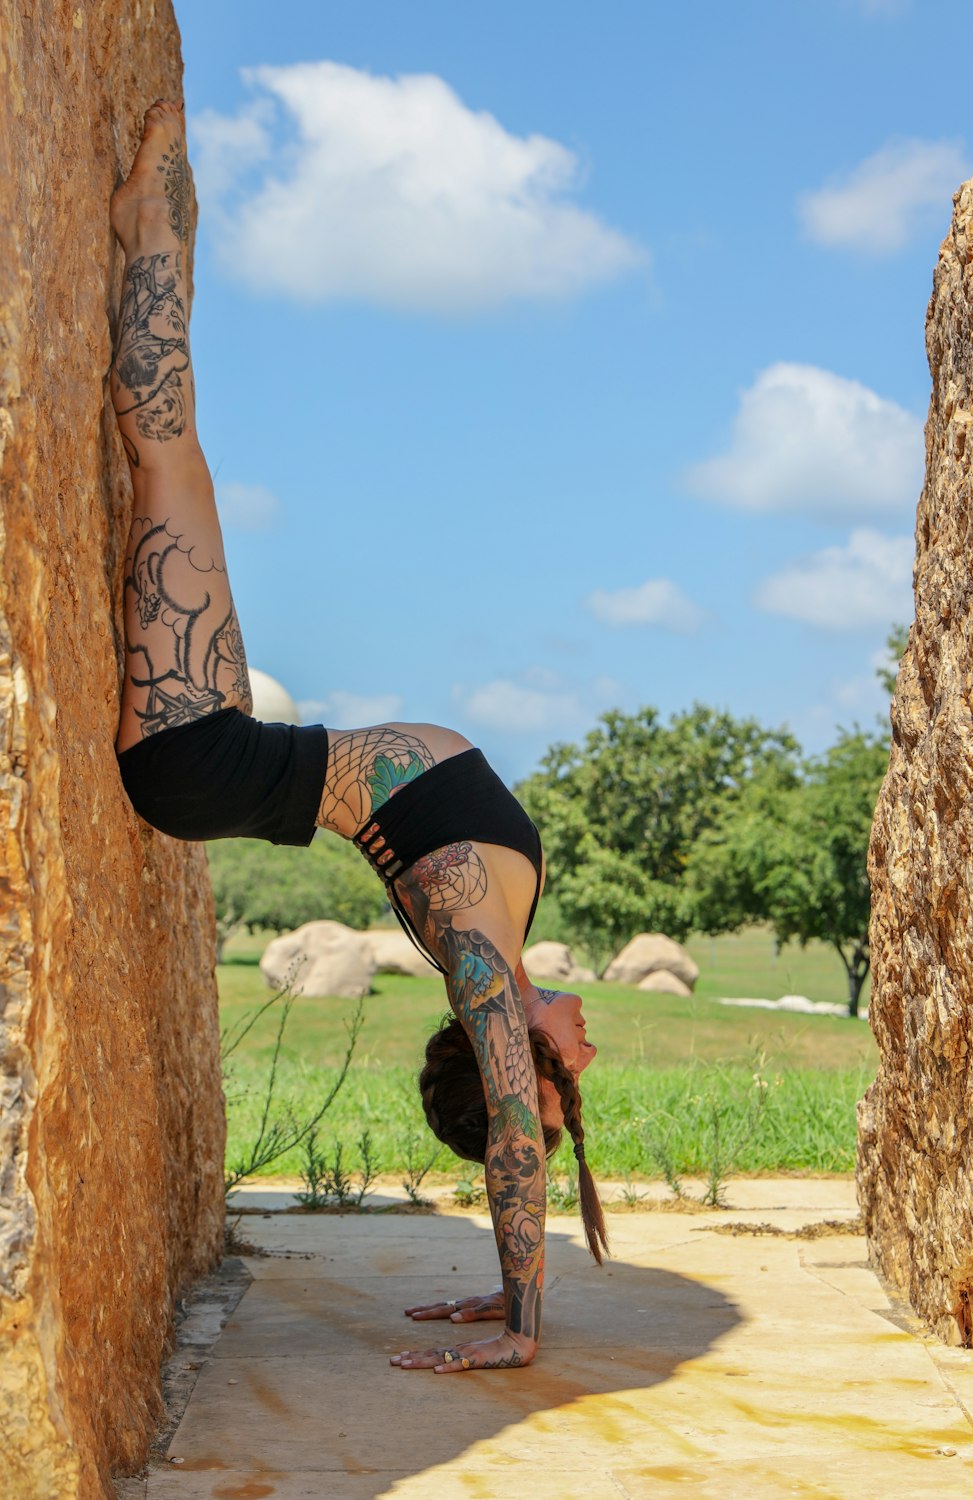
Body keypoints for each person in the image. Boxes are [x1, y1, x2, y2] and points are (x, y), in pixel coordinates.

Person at [109, 101, 607, 1375]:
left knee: (167, 457)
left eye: (566, 1079)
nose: (582, 1052)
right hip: (235, 751)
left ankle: (141, 229)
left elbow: (504, 1126)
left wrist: (524, 1317)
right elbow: (524, 1096)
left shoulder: (476, 955)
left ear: (507, 1052)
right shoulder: (495, 937)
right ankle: (151, 238)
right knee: (176, 465)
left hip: (207, 758)